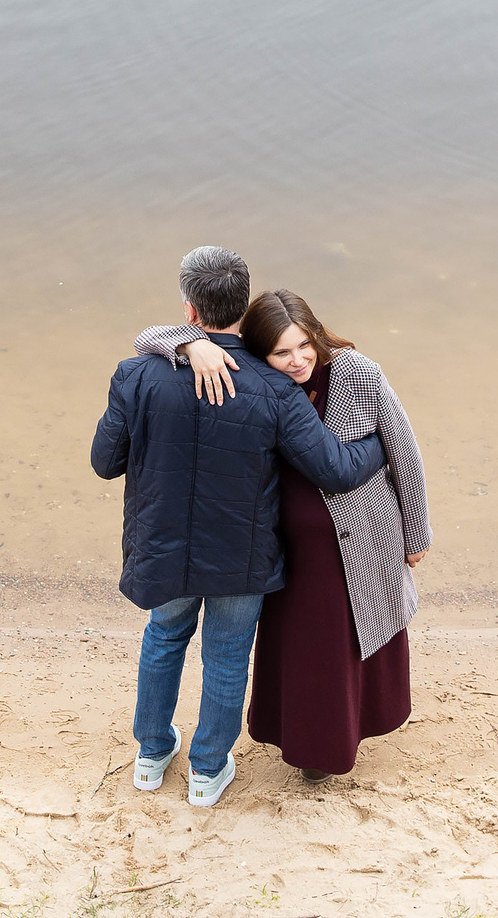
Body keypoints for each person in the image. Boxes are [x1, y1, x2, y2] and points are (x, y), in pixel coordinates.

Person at [91, 247, 386, 808]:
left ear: (189, 310)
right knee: (226, 656)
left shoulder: (137, 375)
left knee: (164, 638)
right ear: (245, 304)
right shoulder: (275, 388)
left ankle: (151, 754)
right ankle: (207, 771)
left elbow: (105, 462)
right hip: (241, 555)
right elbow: (334, 470)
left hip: (163, 547)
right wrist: (380, 442)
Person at [139, 289, 431, 778]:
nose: (297, 360)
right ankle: (306, 743)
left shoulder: (359, 373)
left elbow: (404, 449)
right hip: (281, 547)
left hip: (361, 538)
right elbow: (148, 338)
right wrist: (191, 344)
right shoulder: (249, 374)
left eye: (304, 346)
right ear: (260, 351)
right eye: (281, 352)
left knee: (344, 645)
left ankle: (331, 747)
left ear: (316, 335)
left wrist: (416, 533)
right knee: (301, 649)